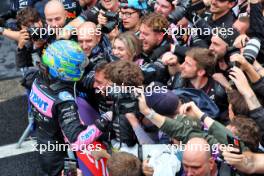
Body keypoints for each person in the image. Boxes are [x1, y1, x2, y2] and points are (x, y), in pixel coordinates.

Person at [27, 40, 113, 176]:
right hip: (58, 154)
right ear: (64, 69)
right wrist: (106, 119)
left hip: (44, 136)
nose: (81, 68)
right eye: (77, 66)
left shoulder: (40, 75)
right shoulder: (63, 101)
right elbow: (78, 141)